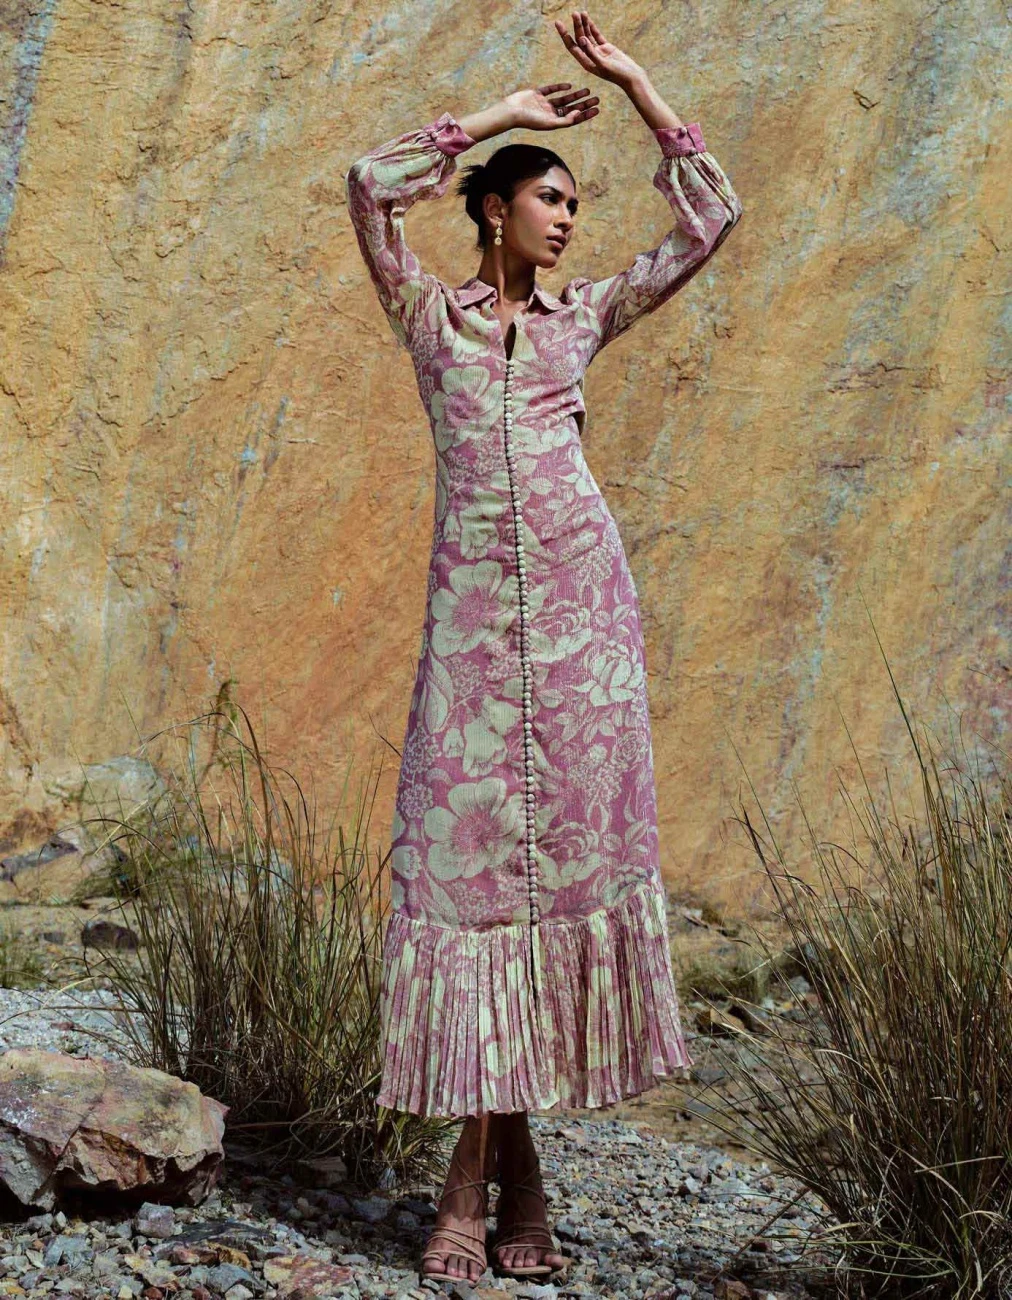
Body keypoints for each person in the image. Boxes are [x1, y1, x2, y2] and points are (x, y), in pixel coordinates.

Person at [345, 8, 743, 1286]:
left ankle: (470, 1190)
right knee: (471, 898)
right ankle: (509, 1175)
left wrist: (637, 84)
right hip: (472, 644)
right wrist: (499, 117)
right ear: (494, 209)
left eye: (575, 204)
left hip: (583, 633)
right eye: (549, 199)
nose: (568, 219)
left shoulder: (583, 320)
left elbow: (709, 218)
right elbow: (368, 185)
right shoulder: (430, 319)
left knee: (546, 894)